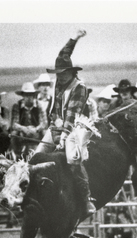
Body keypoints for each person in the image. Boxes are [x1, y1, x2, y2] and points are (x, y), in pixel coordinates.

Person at [35, 28, 94, 216]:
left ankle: (86, 199)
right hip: (57, 126)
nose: (59, 76)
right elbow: (64, 53)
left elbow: (72, 113)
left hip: (76, 127)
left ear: (71, 72)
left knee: (72, 158)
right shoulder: (59, 84)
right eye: (58, 72)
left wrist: (63, 136)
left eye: (63, 73)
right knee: (36, 158)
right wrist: (74, 38)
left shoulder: (79, 88)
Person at [10, 82, 47, 160]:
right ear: (23, 96)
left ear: (34, 95)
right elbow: (14, 124)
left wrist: (36, 129)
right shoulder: (17, 106)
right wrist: (24, 129)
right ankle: (17, 154)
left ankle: (45, 155)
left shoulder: (39, 105)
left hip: (35, 130)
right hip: (22, 131)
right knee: (13, 135)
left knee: (45, 134)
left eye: (31, 95)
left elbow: (44, 122)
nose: (29, 97)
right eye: (26, 95)